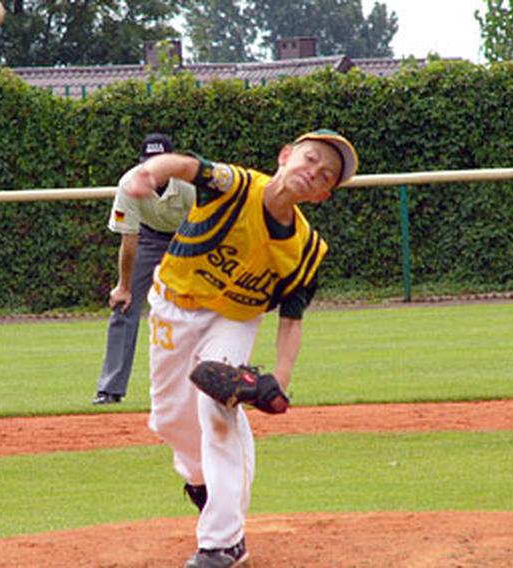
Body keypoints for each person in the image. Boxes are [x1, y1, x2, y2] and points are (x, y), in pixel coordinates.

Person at [124, 129, 359, 567]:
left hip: (234, 319)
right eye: (310, 159)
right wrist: (149, 172)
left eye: (325, 175)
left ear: (323, 195)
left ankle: (223, 544)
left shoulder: (306, 252)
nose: (313, 172)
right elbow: (186, 165)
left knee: (218, 409)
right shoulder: (236, 186)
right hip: (173, 306)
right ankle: (206, 486)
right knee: (170, 421)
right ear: (285, 155)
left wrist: (280, 381)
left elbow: (291, 321)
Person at [92, 133, 196, 405]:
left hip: (190, 238)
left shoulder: (188, 184)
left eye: (160, 162)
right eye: (149, 163)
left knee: (207, 308)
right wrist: (124, 287)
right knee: (123, 306)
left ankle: (212, 387)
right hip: (149, 238)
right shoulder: (130, 184)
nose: (154, 170)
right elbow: (129, 239)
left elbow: (206, 227)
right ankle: (110, 389)